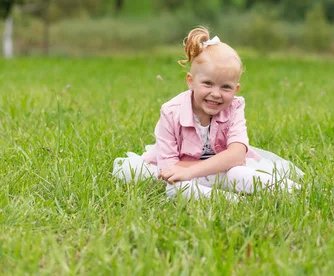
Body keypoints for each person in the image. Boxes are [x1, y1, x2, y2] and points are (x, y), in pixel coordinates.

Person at [112, 26, 302, 200]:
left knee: (239, 173)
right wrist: (190, 173)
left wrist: (195, 170)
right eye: (208, 83)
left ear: (236, 89)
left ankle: (296, 191)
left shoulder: (234, 107)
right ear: (190, 81)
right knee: (171, 186)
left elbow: (236, 155)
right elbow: (169, 169)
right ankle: (235, 202)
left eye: (225, 87)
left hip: (221, 170)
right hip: (187, 173)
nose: (216, 94)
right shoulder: (171, 111)